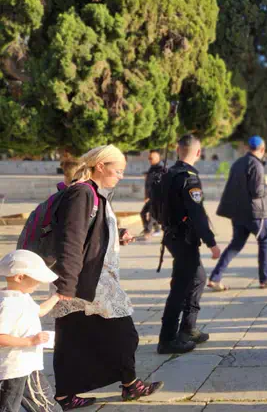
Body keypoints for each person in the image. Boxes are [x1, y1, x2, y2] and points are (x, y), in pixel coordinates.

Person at [51, 145, 163, 410]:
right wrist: (66, 284)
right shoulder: (82, 193)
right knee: (125, 334)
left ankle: (67, 395)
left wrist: (119, 232)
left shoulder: (94, 193)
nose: (121, 176)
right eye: (118, 170)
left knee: (71, 336)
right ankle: (129, 384)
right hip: (87, 280)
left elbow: (92, 230)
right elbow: (72, 238)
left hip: (87, 277)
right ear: (100, 166)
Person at [158, 135, 221, 354]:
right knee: (181, 287)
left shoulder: (168, 173)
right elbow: (197, 213)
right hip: (184, 239)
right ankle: (168, 339)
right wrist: (211, 242)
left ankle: (188, 327)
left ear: (177, 150)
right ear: (198, 152)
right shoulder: (189, 178)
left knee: (198, 278)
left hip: (172, 236)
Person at [209, 136, 267, 290]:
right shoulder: (257, 165)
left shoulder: (238, 163)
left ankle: (215, 277)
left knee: (235, 245)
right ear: (262, 149)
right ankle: (265, 280)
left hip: (238, 213)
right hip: (255, 214)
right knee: (265, 242)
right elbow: (257, 191)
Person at [0, 250, 60, 412]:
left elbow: (38, 311)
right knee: (8, 407)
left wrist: (56, 298)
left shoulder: (21, 296)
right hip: (13, 368)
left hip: (26, 365)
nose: (39, 283)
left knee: (45, 406)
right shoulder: (9, 304)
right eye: (37, 279)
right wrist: (30, 341)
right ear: (20, 277)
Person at [140, 150, 165, 240]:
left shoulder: (162, 169)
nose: (149, 160)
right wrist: (146, 195)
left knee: (152, 215)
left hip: (157, 197)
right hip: (151, 196)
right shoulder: (152, 168)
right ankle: (157, 229)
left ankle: (147, 231)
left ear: (158, 158)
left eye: (151, 158)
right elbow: (148, 184)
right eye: (149, 158)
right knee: (143, 213)